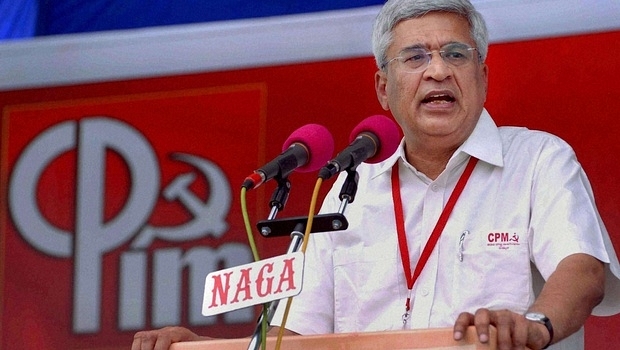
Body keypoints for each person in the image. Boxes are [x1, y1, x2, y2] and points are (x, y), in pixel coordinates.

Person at [132, 0, 620, 349]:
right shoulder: (348, 188)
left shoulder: (539, 159)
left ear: (483, 76)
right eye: (415, 57)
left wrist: (535, 323)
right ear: (383, 89)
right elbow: (298, 337)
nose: (438, 71)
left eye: (455, 54)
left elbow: (583, 270)